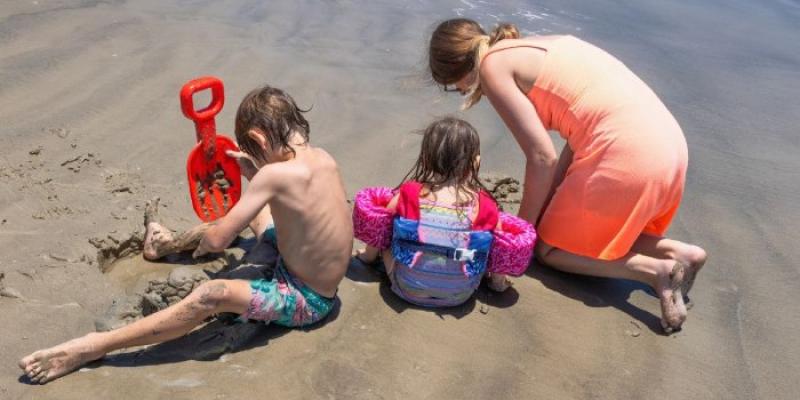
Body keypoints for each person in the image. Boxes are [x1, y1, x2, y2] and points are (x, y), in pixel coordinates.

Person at [18, 85, 353, 383]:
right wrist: (255, 173)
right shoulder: (323, 158)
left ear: (260, 139)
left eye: (255, 152)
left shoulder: (274, 177)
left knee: (211, 293)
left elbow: (219, 241)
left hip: (304, 301)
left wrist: (208, 245)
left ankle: (93, 346)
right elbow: (298, 202)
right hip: (317, 279)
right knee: (258, 212)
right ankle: (163, 243)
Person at [427, 18, 707, 332]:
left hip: (629, 153)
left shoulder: (493, 67)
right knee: (578, 228)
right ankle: (680, 252)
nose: (463, 91)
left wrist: (522, 235)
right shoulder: (544, 44)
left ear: (455, 70)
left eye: (455, 87)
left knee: (549, 249)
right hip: (670, 148)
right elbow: (578, 134)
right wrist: (550, 200)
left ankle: (655, 271)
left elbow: (542, 157)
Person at [356, 117, 510, 308]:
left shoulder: (410, 193)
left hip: (406, 288)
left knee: (385, 233)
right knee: (485, 246)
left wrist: (369, 256)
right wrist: (498, 283)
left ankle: (368, 256)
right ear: (476, 162)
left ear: (426, 159)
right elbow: (502, 247)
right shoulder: (486, 205)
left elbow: (380, 228)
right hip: (460, 294)